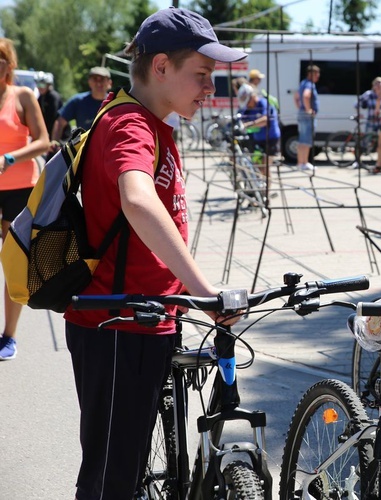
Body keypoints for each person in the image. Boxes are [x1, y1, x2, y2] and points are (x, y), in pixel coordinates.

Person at [61, 7, 247, 498]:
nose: (211, 89)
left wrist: (188, 289)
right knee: (111, 479)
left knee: (130, 460)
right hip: (119, 324)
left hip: (149, 316)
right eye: (203, 76)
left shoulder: (157, 123)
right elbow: (138, 201)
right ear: (161, 66)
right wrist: (205, 290)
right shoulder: (130, 125)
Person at [0, 38, 50, 361]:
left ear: (9, 65)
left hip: (19, 189)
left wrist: (8, 159)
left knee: (13, 262)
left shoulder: (23, 96)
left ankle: (9, 336)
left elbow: (44, 141)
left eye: (0, 60)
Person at [50, 66, 112, 146]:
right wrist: (55, 142)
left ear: (109, 83)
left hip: (106, 149)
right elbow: (60, 122)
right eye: (95, 79)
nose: (98, 83)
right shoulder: (78, 101)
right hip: (83, 149)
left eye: (102, 79)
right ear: (89, 82)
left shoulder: (114, 103)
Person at [241, 84, 281, 181]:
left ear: (253, 96)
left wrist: (249, 124)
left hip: (271, 139)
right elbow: (241, 118)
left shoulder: (263, 103)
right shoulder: (249, 108)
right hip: (258, 140)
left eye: (248, 102)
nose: (247, 105)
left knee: (265, 166)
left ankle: (266, 193)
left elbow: (264, 120)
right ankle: (260, 189)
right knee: (257, 166)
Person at [294, 64, 320, 173]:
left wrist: (300, 107)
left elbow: (296, 97)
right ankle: (303, 163)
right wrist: (308, 110)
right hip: (306, 115)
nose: (318, 76)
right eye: (317, 74)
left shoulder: (303, 83)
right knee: (306, 138)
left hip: (301, 113)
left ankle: (302, 162)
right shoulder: (309, 84)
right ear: (311, 74)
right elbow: (305, 96)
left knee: (302, 138)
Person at [34, 71, 62, 138]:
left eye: (42, 84)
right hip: (46, 133)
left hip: (58, 135)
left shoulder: (53, 97)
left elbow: (54, 118)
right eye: (37, 84)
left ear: (48, 85)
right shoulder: (41, 97)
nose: (39, 87)